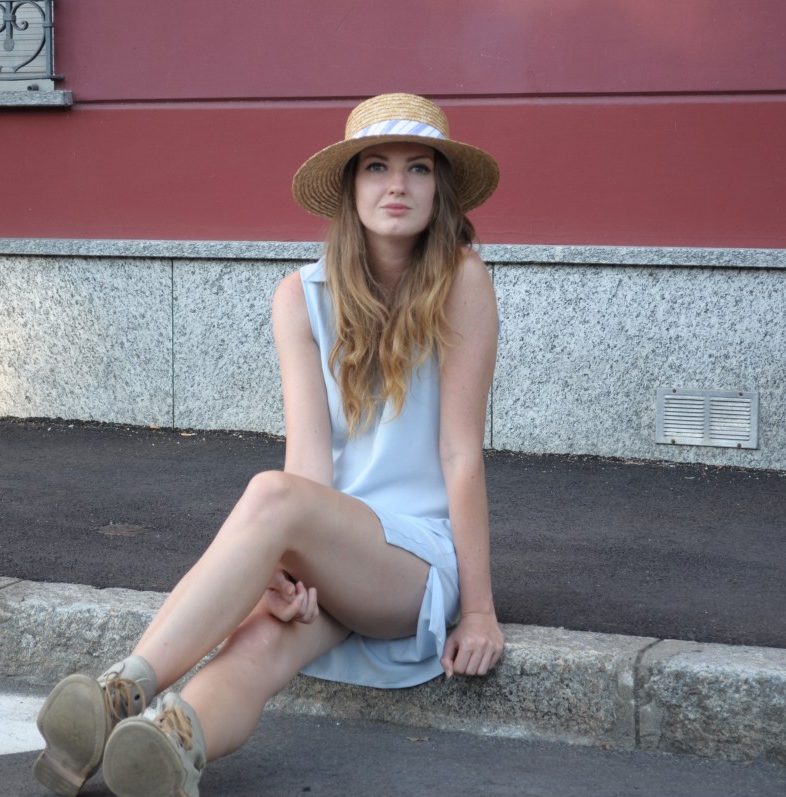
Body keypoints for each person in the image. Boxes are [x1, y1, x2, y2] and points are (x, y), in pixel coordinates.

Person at [32, 92, 504, 797]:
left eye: (418, 168)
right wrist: (285, 572)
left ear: (440, 188)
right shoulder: (299, 296)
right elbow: (308, 461)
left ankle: (123, 687)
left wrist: (481, 610)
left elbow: (461, 453)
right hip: (329, 540)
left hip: (414, 563)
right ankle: (170, 744)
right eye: (376, 167)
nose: (397, 185)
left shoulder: (462, 279)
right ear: (350, 188)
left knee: (271, 495)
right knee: (256, 643)